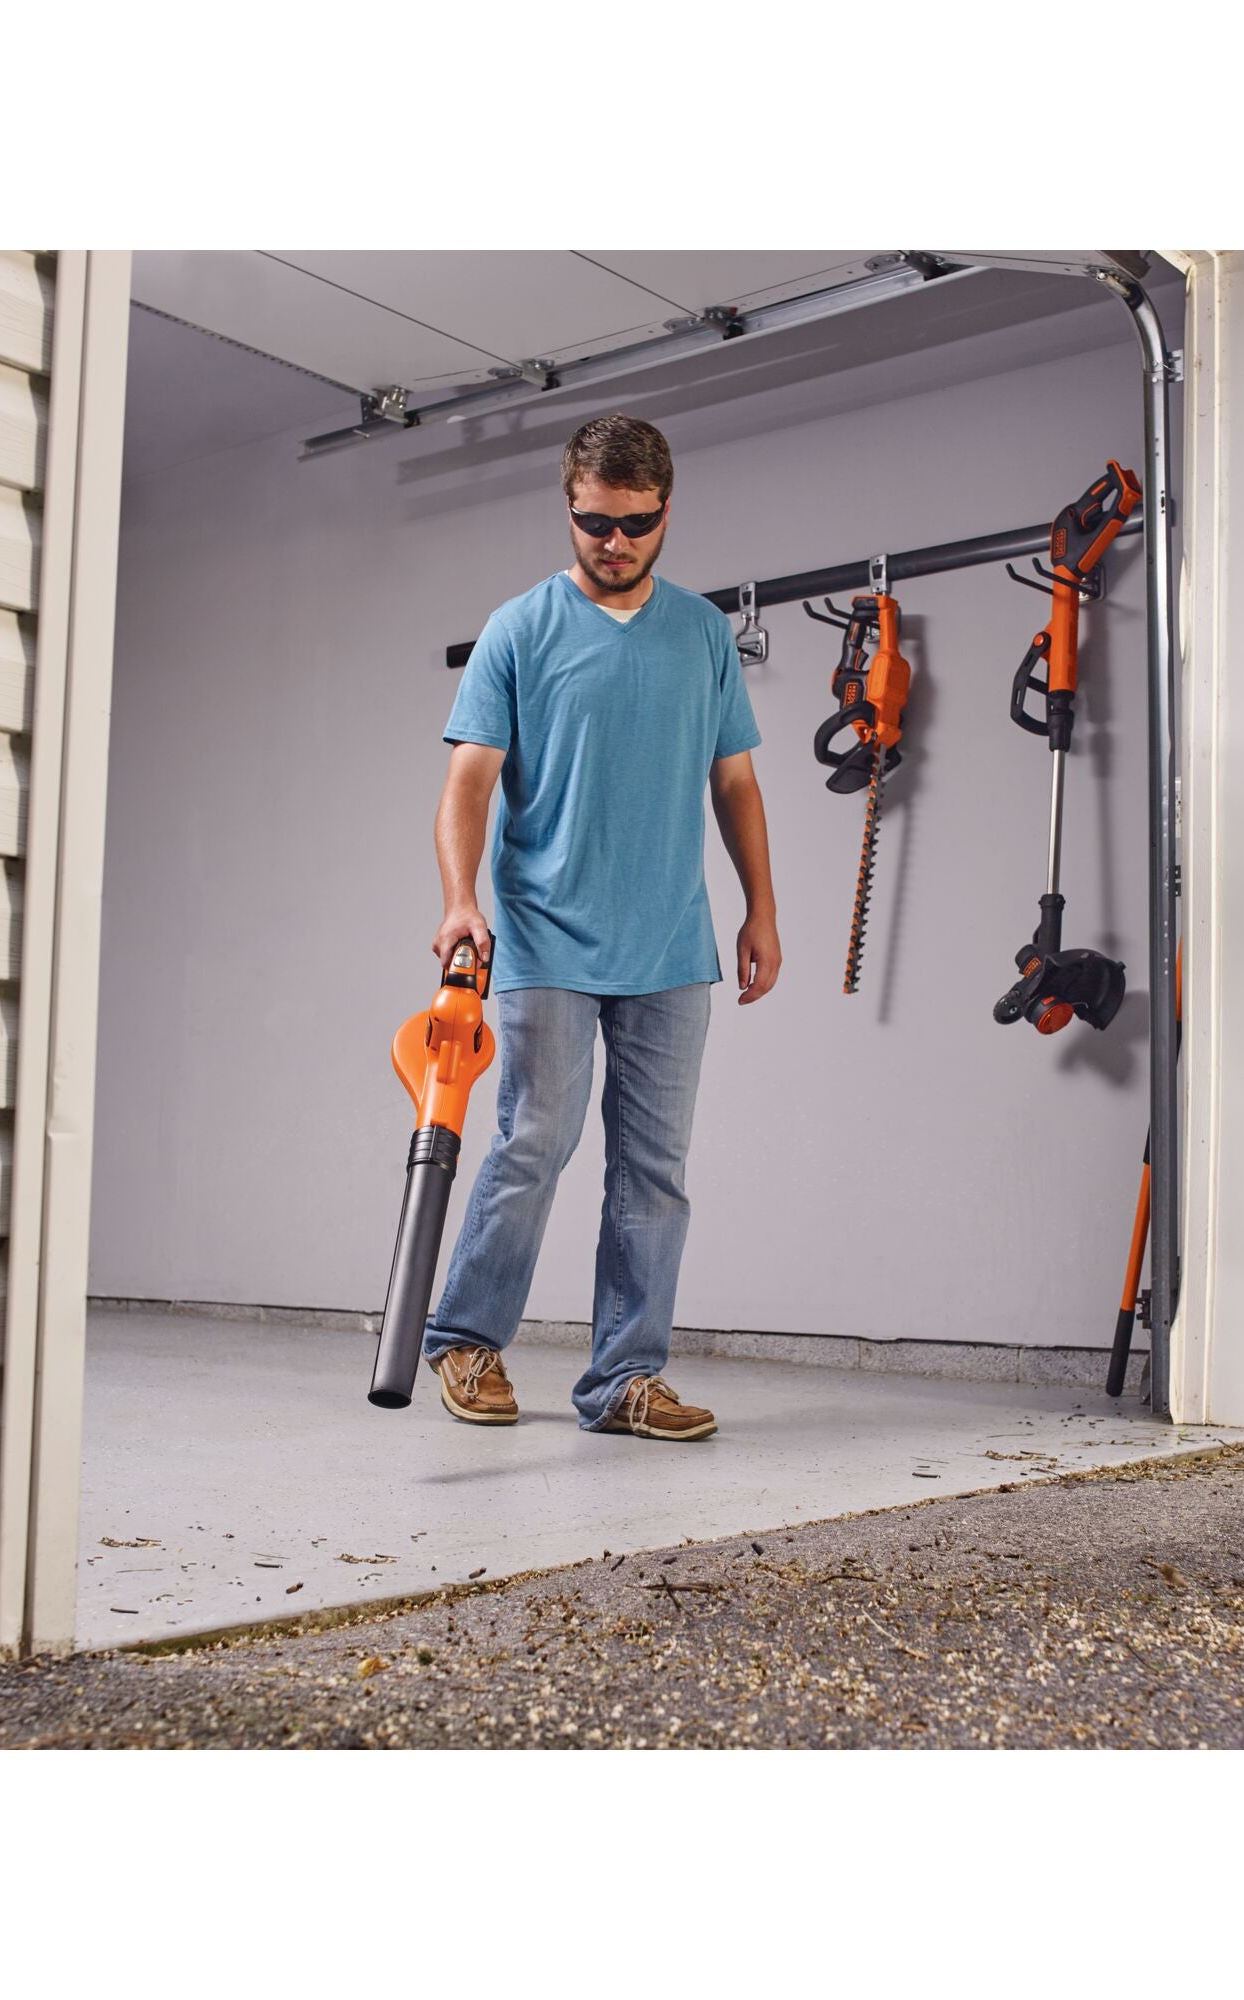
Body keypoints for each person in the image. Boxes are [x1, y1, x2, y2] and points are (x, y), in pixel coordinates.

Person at [422, 413, 781, 1441]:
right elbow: (466, 784)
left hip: (671, 944)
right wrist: (460, 898)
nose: (611, 542)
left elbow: (736, 782)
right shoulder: (519, 630)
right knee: (533, 1140)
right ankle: (466, 1338)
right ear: (567, 508)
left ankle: (623, 1377)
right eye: (591, 522)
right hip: (545, 939)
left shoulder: (704, 634)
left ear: (665, 512)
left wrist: (760, 903)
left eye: (633, 524)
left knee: (654, 1170)